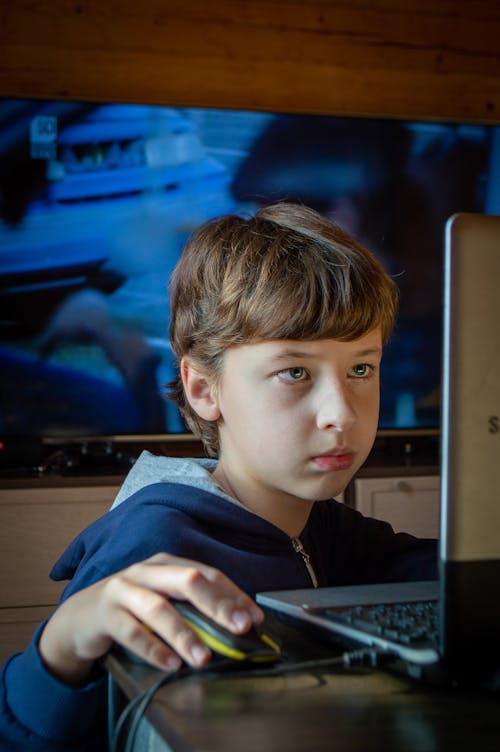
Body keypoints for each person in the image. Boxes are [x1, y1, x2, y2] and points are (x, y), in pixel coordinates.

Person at [0, 203, 437, 751]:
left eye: (361, 369)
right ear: (204, 389)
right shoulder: (152, 545)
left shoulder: (318, 523)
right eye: (294, 372)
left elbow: (433, 569)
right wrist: (58, 652)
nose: (341, 414)